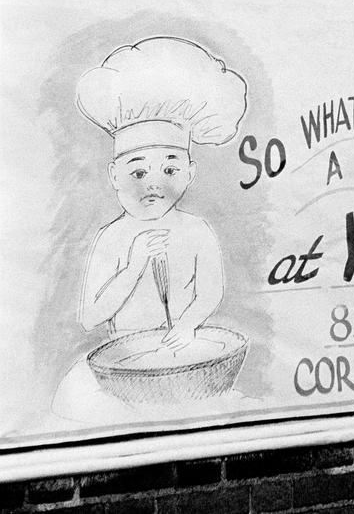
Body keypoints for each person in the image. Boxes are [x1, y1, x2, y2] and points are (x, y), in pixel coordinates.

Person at [52, 35, 248, 422]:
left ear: (190, 173)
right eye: (138, 171)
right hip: (125, 368)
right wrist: (132, 266)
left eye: (170, 169)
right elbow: (91, 316)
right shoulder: (112, 238)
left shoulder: (197, 231)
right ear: (114, 175)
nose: (154, 184)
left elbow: (211, 290)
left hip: (186, 359)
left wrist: (189, 326)